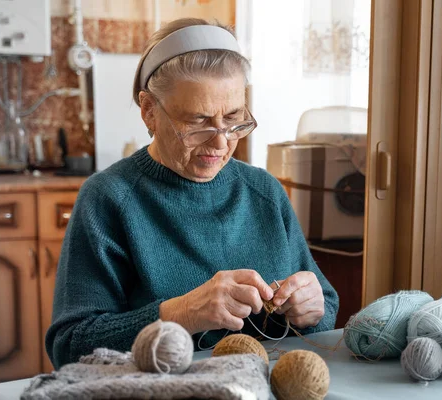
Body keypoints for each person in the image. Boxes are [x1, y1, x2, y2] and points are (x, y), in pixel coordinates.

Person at [46, 18, 339, 369]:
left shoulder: (264, 191)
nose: (220, 142)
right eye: (198, 121)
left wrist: (312, 308)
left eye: (233, 118)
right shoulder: (108, 199)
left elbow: (326, 307)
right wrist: (182, 313)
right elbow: (69, 346)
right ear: (149, 111)